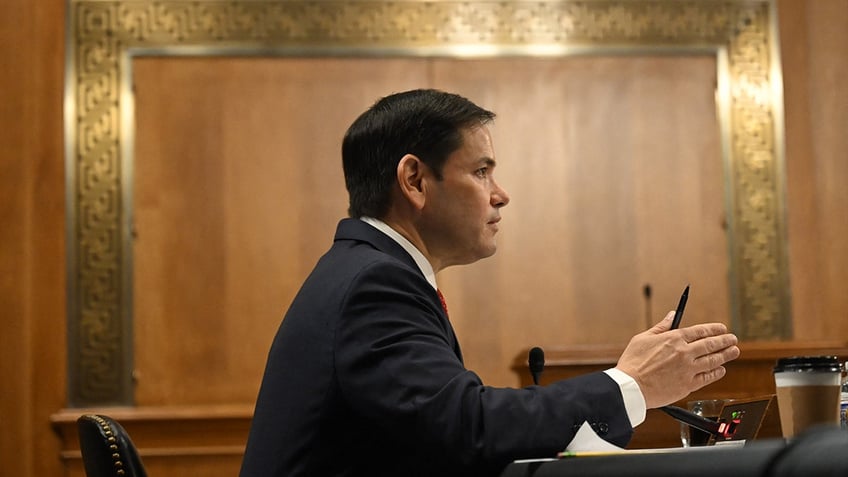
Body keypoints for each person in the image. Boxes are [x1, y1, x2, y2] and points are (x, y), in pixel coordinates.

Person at [239, 89, 740, 477]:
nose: (501, 195)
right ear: (414, 181)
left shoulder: (366, 270)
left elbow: (443, 446)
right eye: (481, 171)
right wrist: (631, 384)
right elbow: (469, 429)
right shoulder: (375, 283)